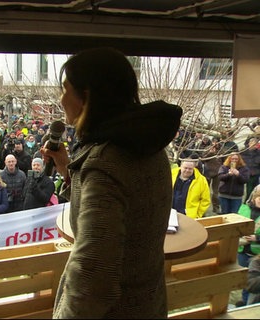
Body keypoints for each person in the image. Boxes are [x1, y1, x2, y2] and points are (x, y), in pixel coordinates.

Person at [41, 47, 181, 318]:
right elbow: (122, 203)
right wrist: (69, 173)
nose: (61, 100)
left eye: (64, 89)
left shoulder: (105, 163)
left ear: (87, 96)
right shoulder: (146, 144)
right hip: (147, 303)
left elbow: (93, 278)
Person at [237, 190, 260, 306]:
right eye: (259, 197)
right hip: (242, 251)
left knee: (254, 281)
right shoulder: (244, 209)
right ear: (254, 197)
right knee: (244, 279)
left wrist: (257, 238)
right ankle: (245, 300)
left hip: (257, 254)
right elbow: (236, 225)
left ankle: (249, 304)